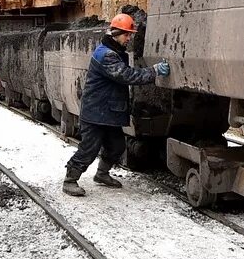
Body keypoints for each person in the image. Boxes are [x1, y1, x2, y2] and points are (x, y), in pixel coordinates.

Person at [63, 13, 169, 196]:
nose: (129, 38)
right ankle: (70, 180)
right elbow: (127, 76)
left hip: (107, 111)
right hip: (96, 113)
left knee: (117, 146)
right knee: (89, 149)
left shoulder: (113, 51)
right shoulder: (106, 55)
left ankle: (102, 174)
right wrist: (154, 71)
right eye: (126, 35)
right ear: (117, 33)